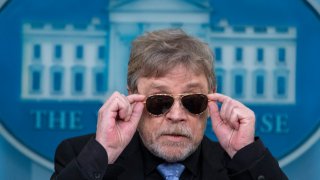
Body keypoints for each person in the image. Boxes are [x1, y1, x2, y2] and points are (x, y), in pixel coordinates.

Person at [51, 29, 288, 180]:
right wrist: (103, 154)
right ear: (132, 98)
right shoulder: (80, 157)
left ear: (211, 100)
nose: (176, 115)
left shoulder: (240, 166)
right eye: (159, 101)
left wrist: (244, 154)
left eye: (192, 101)